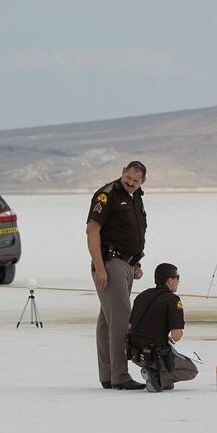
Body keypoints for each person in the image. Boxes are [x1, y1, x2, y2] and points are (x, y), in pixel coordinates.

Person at [86, 160, 148, 390]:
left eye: (135, 180)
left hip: (126, 265)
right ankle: (120, 376)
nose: (130, 183)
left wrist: (136, 263)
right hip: (110, 264)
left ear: (142, 181)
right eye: (128, 178)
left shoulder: (136, 197)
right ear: (122, 173)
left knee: (107, 322)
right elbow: (92, 230)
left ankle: (108, 375)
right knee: (121, 320)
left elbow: (132, 232)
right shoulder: (107, 194)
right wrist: (100, 267)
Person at [127, 263, 198, 393]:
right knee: (191, 370)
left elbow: (130, 326)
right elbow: (177, 334)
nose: (178, 281)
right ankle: (157, 378)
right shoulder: (172, 300)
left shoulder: (142, 296)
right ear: (170, 280)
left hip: (135, 354)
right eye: (177, 277)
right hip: (154, 354)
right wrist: (170, 340)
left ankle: (161, 378)